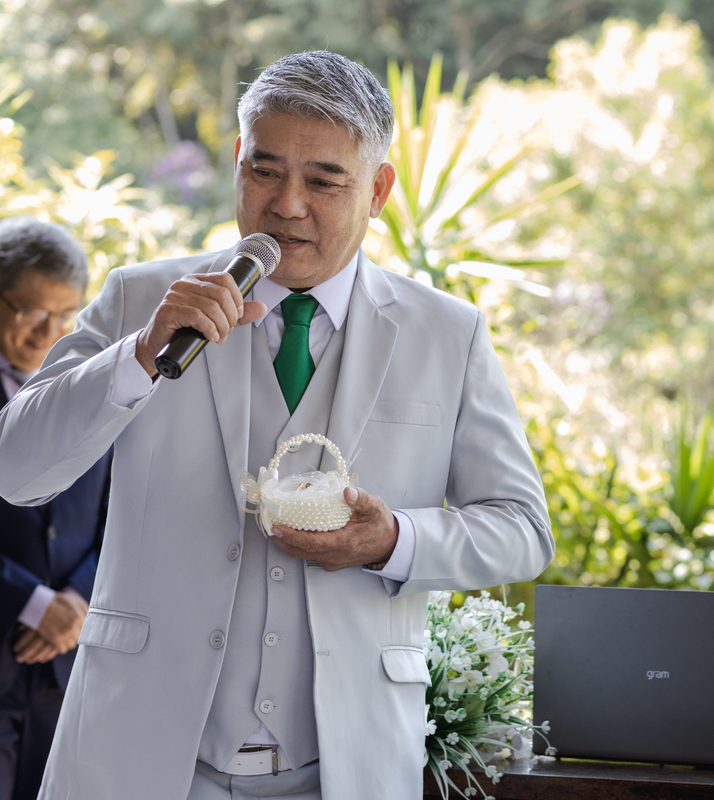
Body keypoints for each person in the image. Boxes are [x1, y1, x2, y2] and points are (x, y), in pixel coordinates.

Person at [0, 51, 554, 800]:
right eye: (264, 170)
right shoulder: (140, 300)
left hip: (344, 767)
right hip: (138, 757)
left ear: (379, 189)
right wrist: (134, 358)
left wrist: (394, 541)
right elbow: (16, 469)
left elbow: (522, 528)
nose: (287, 205)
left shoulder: (446, 333)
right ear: (236, 160)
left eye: (324, 180)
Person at [0, 217, 107, 800]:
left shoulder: (96, 387)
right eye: (32, 311)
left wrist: (75, 599)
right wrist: (31, 602)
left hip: (68, 667)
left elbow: (120, 513)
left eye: (66, 314)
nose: (51, 332)